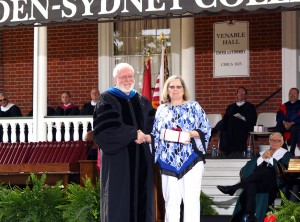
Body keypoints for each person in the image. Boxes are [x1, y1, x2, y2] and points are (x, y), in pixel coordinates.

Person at [93, 63, 156, 222]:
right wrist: (132, 133)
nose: (127, 80)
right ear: (115, 79)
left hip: (142, 159)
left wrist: (148, 136)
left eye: (130, 76)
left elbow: (153, 124)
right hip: (119, 162)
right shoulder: (106, 99)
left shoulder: (141, 99)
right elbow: (104, 130)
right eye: (123, 77)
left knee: (144, 202)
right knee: (119, 203)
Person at [149, 75, 211, 222]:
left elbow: (206, 129)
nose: (175, 90)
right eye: (172, 87)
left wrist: (188, 134)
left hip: (191, 160)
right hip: (167, 162)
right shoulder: (161, 109)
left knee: (191, 203)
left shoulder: (194, 106)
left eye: (178, 87)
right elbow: (155, 134)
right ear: (167, 90)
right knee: (171, 203)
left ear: (183, 90)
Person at [217, 132, 292, 222]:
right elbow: (246, 169)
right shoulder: (261, 154)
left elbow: (285, 172)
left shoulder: (287, 155)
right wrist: (262, 158)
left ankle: (234, 187)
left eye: (278, 141)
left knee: (266, 171)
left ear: (282, 143)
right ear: (269, 141)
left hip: (273, 185)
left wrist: (271, 159)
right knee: (250, 184)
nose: (275, 142)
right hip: (259, 184)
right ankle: (251, 215)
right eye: (272, 140)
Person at [219, 87, 257, 156]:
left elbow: (252, 119)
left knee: (231, 122)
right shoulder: (231, 106)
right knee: (225, 123)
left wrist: (241, 118)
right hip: (230, 126)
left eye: (243, 93)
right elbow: (227, 116)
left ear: (246, 95)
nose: (241, 94)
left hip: (243, 126)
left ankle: (237, 149)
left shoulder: (250, 107)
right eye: (239, 92)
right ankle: (225, 149)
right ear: (236, 94)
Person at [275, 87, 300, 156]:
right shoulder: (284, 106)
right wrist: (284, 122)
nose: (292, 95)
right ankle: (284, 150)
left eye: (294, 93)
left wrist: (292, 123)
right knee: (277, 129)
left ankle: (292, 151)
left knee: (294, 128)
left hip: (296, 125)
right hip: (285, 124)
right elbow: (279, 116)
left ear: (298, 95)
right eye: (290, 93)